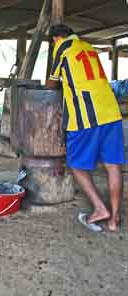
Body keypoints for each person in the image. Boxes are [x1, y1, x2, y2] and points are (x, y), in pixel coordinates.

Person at [46, 24, 125, 232]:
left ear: (56, 38)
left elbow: (52, 83)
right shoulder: (89, 47)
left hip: (86, 116)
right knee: (113, 165)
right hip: (111, 111)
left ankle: (100, 209)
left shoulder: (62, 47)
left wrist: (46, 90)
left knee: (76, 165)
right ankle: (114, 220)